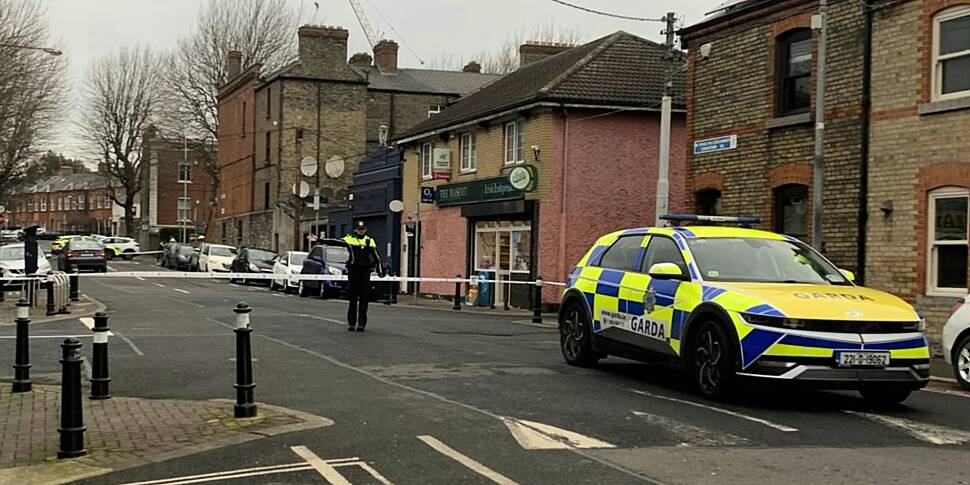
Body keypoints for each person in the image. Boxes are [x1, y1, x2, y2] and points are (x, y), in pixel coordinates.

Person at [342, 221, 384, 332]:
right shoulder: (350, 239)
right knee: (353, 299)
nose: (361, 231)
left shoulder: (369, 241)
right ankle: (351, 323)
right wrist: (318, 240)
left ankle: (361, 323)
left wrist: (380, 271)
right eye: (359, 229)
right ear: (356, 230)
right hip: (353, 271)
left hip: (365, 271)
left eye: (363, 229)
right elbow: (334, 242)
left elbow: (376, 257)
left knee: (364, 299)